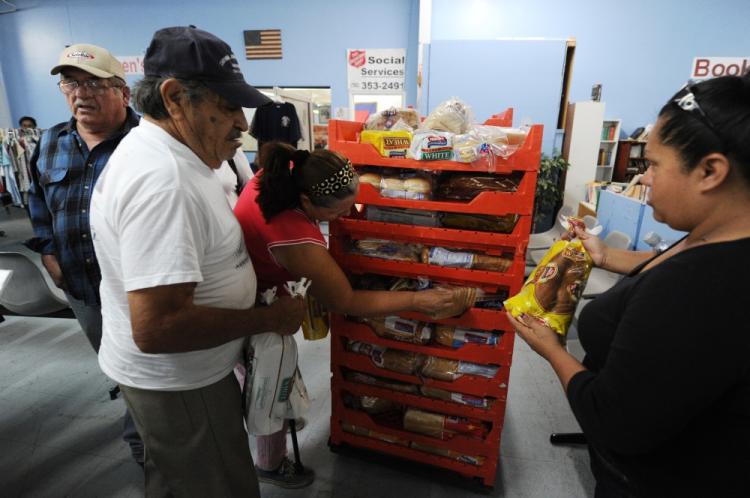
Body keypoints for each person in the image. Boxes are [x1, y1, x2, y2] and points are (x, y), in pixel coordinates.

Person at [508, 73, 750, 497]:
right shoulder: (717, 236)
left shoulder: (699, 289)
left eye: (654, 165)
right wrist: (602, 256)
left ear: (711, 171)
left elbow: (612, 422)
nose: (643, 179)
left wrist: (552, 350)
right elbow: (669, 259)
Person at [89, 26, 305, 498]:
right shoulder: (163, 182)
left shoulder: (182, 156)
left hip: (188, 377)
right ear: (174, 98)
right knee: (216, 484)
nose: (243, 124)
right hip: (181, 386)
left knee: (179, 478)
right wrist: (270, 317)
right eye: (227, 107)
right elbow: (158, 328)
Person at [233, 142, 455, 488]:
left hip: (259, 283)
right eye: (338, 213)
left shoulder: (284, 174)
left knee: (274, 374)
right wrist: (417, 299)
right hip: (252, 305)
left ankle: (283, 419)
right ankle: (271, 463)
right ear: (307, 202)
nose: (346, 217)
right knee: (267, 379)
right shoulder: (295, 237)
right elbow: (346, 301)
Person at [25, 43, 144, 465]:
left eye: (94, 83)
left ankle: (145, 444)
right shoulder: (51, 141)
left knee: (144, 368)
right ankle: (143, 431)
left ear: (123, 92)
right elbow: (36, 199)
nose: (81, 93)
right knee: (116, 365)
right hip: (79, 286)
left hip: (138, 291)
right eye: (71, 83)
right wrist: (48, 253)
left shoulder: (147, 143)